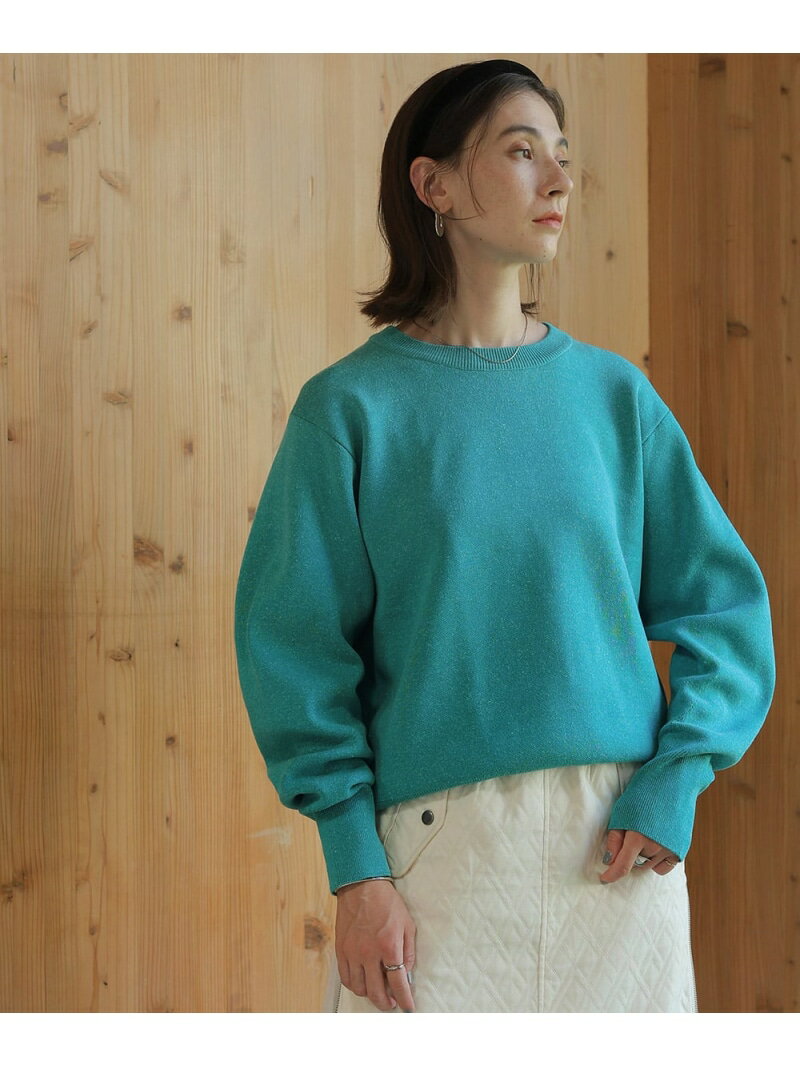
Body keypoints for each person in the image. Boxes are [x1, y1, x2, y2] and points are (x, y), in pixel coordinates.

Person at [233, 59, 776, 1013]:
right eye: (522, 152)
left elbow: (725, 605)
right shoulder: (351, 411)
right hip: (436, 859)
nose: (558, 179)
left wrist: (677, 775)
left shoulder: (614, 397)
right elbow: (295, 650)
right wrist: (355, 866)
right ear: (434, 184)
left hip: (619, 845)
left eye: (561, 154)